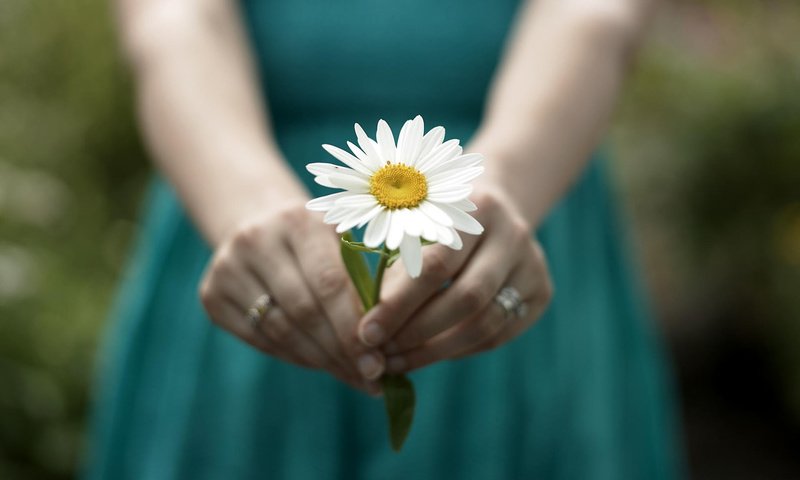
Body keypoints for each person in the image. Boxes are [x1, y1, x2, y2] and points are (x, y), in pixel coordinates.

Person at [84, 0, 683, 478]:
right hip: (240, 216)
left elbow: (593, 13)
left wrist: (500, 181)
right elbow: (174, 20)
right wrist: (247, 204)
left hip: (514, 213)